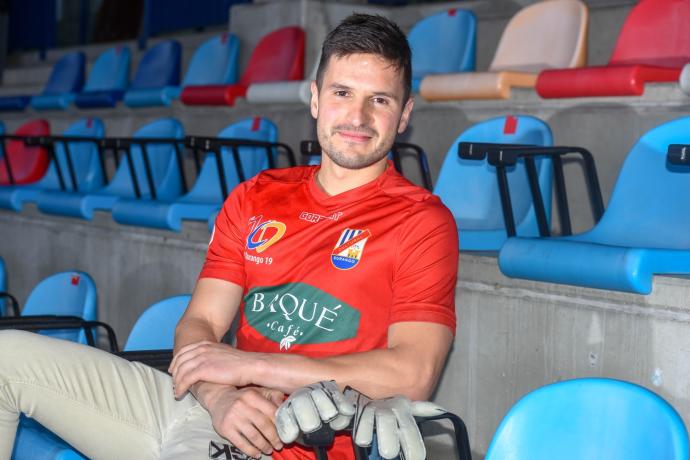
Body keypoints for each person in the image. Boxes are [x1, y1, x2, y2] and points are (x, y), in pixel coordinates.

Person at [0, 13, 458, 460]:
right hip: (204, 404)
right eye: (342, 93)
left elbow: (414, 371)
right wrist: (218, 394)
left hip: (283, 438)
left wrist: (253, 367)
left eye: (380, 100)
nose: (357, 116)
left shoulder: (421, 220)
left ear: (404, 115)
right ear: (316, 99)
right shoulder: (257, 195)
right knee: (5, 357)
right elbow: (199, 324)